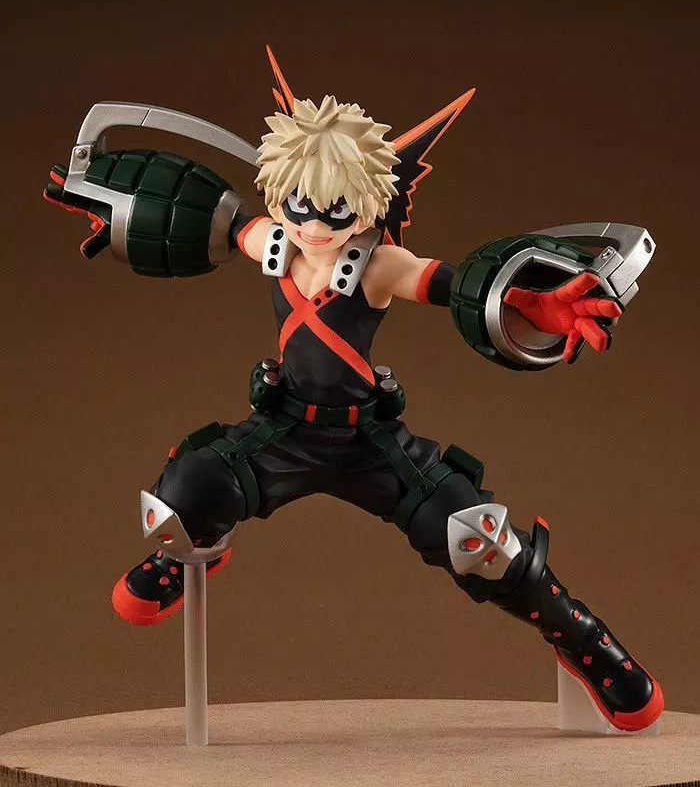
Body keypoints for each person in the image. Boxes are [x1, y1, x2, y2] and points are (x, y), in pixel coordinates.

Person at [44, 48, 663, 733]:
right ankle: (191, 552)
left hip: (370, 440)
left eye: (336, 208)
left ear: (369, 202)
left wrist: (528, 302)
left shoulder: (377, 263)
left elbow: (451, 283)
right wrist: (121, 207)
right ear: (278, 188)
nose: (313, 224)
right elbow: (182, 213)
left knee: (477, 537)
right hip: (282, 429)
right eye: (299, 202)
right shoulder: (269, 239)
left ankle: (582, 637)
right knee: (186, 490)